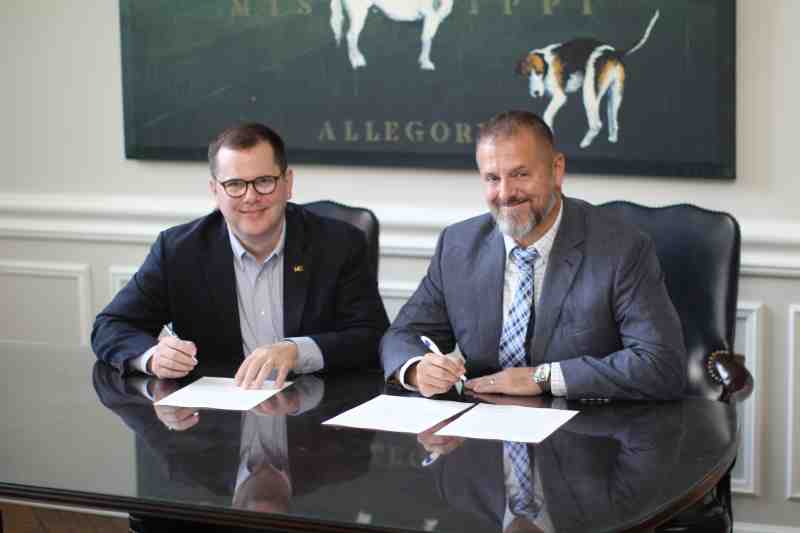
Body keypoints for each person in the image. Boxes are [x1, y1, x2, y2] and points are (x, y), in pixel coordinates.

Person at [380, 110, 687, 400]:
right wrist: (417, 369)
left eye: (520, 174)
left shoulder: (621, 248)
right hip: (484, 436)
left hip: (586, 433)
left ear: (557, 170)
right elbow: (403, 334)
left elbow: (661, 364)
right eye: (492, 178)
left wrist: (543, 378)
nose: (505, 193)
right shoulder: (458, 245)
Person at [92, 122, 389, 387]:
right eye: (234, 184)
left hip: (315, 422)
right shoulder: (179, 250)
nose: (250, 196)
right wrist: (152, 356)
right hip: (215, 425)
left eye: (264, 181)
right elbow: (111, 326)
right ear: (215, 191)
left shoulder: (339, 244)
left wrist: (297, 351)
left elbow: (372, 336)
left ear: (287, 184)